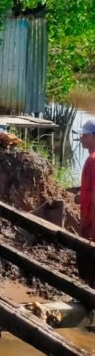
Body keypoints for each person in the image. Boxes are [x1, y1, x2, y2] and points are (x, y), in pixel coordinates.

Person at [75, 120, 95, 284]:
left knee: (88, 266)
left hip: (91, 224)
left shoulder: (93, 161)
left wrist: (90, 227)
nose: (81, 139)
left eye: (85, 135)